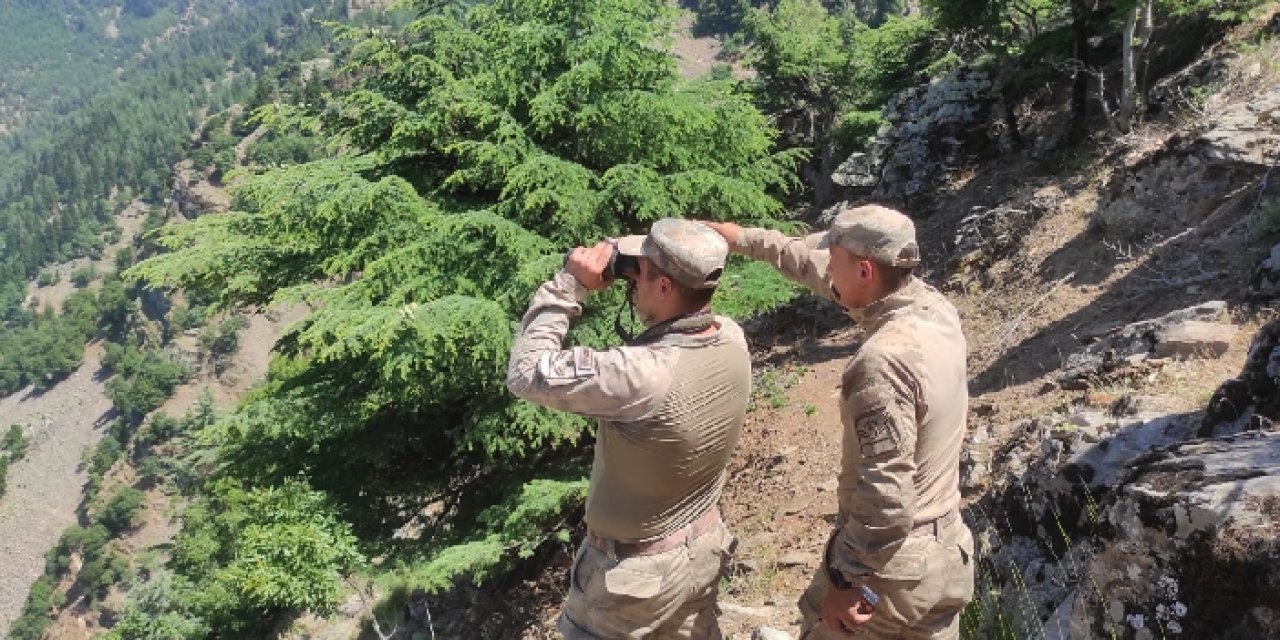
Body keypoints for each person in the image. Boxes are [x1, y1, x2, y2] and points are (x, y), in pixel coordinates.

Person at [703, 205, 974, 639]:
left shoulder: (882, 364)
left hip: (891, 570)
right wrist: (741, 238)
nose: (827, 264)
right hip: (948, 554)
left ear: (865, 271)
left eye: (836, 257)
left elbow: (887, 494)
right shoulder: (934, 308)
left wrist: (847, 579)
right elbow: (812, 267)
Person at [506, 218, 752, 639]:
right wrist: (635, 255)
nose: (633, 281)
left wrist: (569, 284)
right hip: (703, 547)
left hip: (635, 581)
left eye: (644, 275)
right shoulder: (731, 337)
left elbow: (525, 374)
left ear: (666, 288)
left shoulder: (640, 374)